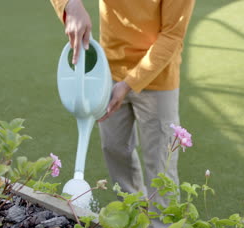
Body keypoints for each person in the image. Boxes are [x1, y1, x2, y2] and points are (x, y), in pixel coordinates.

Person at [50, 0, 195, 212]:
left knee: (161, 163)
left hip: (159, 78)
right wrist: (70, 5)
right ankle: (133, 216)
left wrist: (129, 84)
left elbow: (172, 35)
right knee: (115, 149)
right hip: (109, 72)